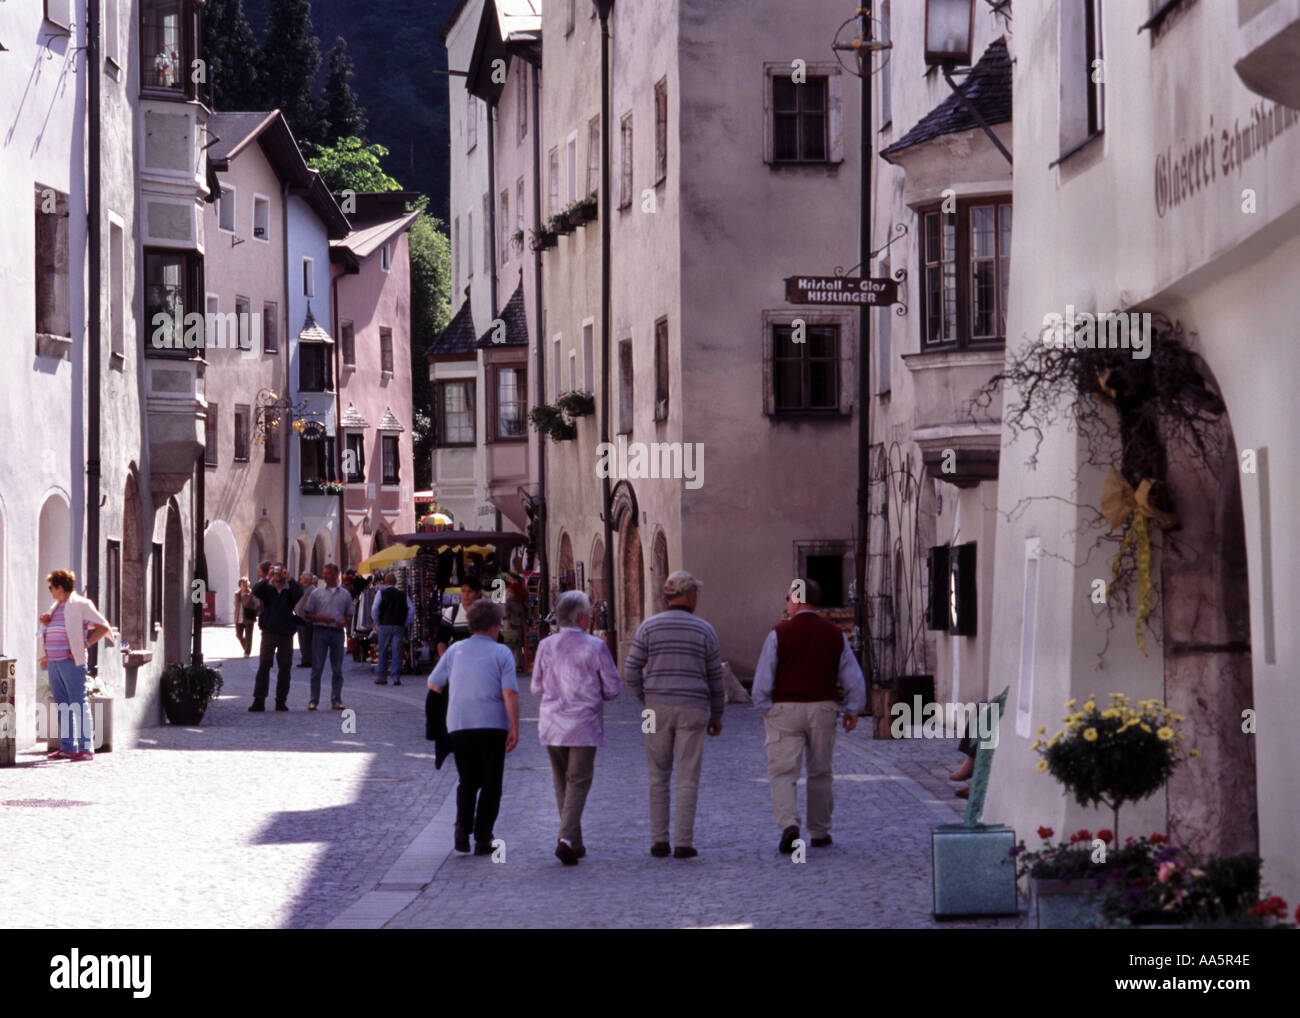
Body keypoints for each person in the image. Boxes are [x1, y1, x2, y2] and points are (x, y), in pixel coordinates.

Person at [751, 578, 867, 853]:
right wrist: (852, 708)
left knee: (782, 771)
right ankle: (819, 831)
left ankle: (789, 824)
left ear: (798, 599)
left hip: (785, 708)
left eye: (788, 597)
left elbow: (763, 677)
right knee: (821, 772)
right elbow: (853, 677)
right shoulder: (834, 633)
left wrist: (764, 706)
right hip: (823, 708)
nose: (787, 602)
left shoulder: (779, 633)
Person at [623, 570, 725, 860]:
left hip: (655, 709)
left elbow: (631, 670)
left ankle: (658, 841)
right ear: (690, 594)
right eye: (697, 593)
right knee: (688, 776)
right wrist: (716, 713)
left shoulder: (647, 627)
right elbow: (715, 677)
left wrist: (646, 699)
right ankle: (683, 842)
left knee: (657, 775)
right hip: (693, 707)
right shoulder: (705, 630)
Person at [530, 590, 621, 865]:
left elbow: (535, 687)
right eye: (589, 615)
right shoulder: (595, 646)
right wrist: (597, 694)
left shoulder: (545, 645)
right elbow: (614, 687)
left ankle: (575, 841)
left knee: (562, 782)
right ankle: (567, 839)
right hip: (583, 724)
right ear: (581, 617)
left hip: (552, 723)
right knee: (578, 781)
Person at [427, 600, 520, 855]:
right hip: (492, 725)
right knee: (492, 783)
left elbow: (434, 684)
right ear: (494, 626)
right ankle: (482, 837)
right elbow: (510, 692)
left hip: (460, 725)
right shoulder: (501, 653)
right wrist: (515, 727)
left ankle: (461, 830)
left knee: (467, 781)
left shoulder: (455, 650)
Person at [37, 570, 112, 761]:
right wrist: (45, 624)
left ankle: (87, 748)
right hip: (54, 661)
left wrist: (84, 644)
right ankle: (68, 746)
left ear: (60, 587)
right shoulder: (56, 607)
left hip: (71, 662)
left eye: (51, 587)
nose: (50, 591)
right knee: (62, 704)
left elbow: (103, 627)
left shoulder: (81, 604)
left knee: (78, 703)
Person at [249, 563, 303, 712]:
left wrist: (290, 579)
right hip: (269, 632)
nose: (278, 573)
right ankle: (259, 700)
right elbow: (255, 591)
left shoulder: (289, 588)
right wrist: (267, 577)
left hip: (286, 633)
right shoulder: (267, 588)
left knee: (285, 668)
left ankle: (281, 701)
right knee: (264, 665)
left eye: (280, 570)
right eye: (275, 570)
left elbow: (300, 593)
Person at [301, 563, 354, 711]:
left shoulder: (345, 594)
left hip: (337, 633)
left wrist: (345, 620)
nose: (324, 576)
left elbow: (350, 613)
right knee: (317, 668)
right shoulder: (316, 593)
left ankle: (336, 700)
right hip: (320, 631)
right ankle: (313, 700)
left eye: (328, 573)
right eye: (324, 573)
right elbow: (307, 613)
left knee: (337, 669)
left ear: (336, 574)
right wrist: (322, 618)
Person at [372, 571, 415, 686]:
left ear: (385, 582)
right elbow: (411, 610)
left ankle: (382, 677)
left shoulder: (381, 593)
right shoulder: (402, 594)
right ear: (395, 582)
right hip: (398, 625)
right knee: (397, 652)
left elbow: (375, 609)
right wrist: (405, 622)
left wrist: (378, 621)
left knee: (383, 651)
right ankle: (396, 678)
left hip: (384, 625)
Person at [233, 577, 259, 657]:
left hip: (248, 617)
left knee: (248, 636)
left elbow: (257, 604)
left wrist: (253, 611)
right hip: (238, 617)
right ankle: (246, 647)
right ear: (240, 585)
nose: (245, 585)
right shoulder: (237, 594)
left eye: (246, 584)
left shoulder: (252, 594)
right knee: (238, 635)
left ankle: (247, 652)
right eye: (243, 584)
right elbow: (235, 604)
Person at [296, 571, 316, 668]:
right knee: (302, 640)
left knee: (307, 640)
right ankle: (305, 659)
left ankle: (308, 660)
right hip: (299, 618)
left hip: (307, 619)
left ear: (307, 579)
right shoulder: (300, 588)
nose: (300, 577)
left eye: (302, 576)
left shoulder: (312, 590)